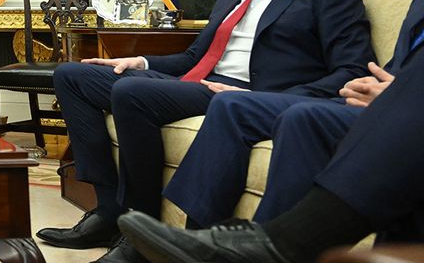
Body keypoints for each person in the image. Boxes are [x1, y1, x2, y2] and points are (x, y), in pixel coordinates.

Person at [36, 0, 373, 263]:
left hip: (247, 96)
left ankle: (139, 227)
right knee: (73, 75)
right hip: (200, 85)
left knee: (132, 91)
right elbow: (194, 58)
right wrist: (141, 60)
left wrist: (259, 97)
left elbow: (350, 71)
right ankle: (107, 212)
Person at [119, 33, 424, 262]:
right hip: (380, 103)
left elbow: (349, 63)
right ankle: (202, 240)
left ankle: (275, 245)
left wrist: (398, 97)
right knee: (299, 116)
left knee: (294, 112)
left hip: (395, 107)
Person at [161, 0, 424, 229]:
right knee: (231, 103)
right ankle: (194, 234)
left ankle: (261, 242)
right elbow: (397, 65)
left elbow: (352, 66)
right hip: (375, 99)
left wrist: (399, 96)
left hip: (403, 109)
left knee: (303, 117)